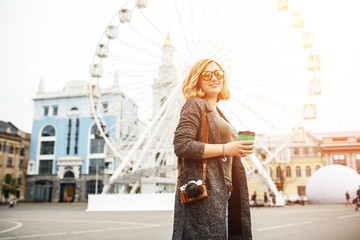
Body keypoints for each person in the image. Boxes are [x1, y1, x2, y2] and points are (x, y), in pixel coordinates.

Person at [172, 59, 253, 239]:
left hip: (225, 189)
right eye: (207, 74)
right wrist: (227, 148)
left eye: (219, 73)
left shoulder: (218, 112)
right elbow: (182, 145)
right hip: (206, 190)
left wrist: (237, 149)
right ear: (197, 79)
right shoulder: (194, 105)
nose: (214, 78)